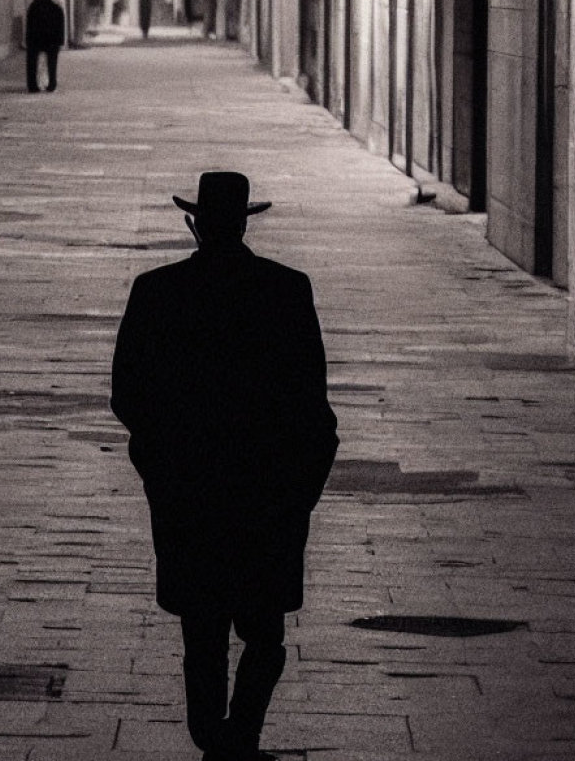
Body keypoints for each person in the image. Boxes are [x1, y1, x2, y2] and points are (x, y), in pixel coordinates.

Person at [110, 172, 338, 761]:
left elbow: (127, 396)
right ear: (243, 223)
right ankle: (241, 739)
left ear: (194, 223)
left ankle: (214, 741)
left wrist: (159, 465)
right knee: (265, 634)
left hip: (188, 495)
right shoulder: (287, 290)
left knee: (202, 632)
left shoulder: (156, 291)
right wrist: (300, 490)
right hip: (268, 497)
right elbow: (312, 404)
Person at [25, 0, 65, 93]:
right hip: (52, 41)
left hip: (36, 40)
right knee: (52, 64)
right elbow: (61, 26)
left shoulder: (33, 8)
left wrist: (28, 41)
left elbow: (29, 26)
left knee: (32, 63)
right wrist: (60, 41)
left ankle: (32, 85)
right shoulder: (56, 8)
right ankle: (52, 84)